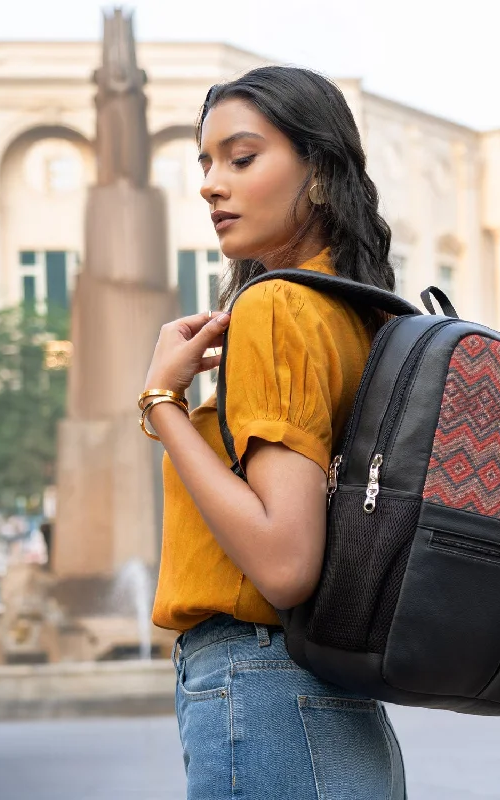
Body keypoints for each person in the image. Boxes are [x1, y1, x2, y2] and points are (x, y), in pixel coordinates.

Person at [143, 66, 407, 799]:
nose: (209, 184)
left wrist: (164, 401)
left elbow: (285, 561)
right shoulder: (368, 314)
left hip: (261, 684)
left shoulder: (277, 308)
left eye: (242, 157)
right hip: (336, 698)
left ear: (318, 169)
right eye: (205, 163)